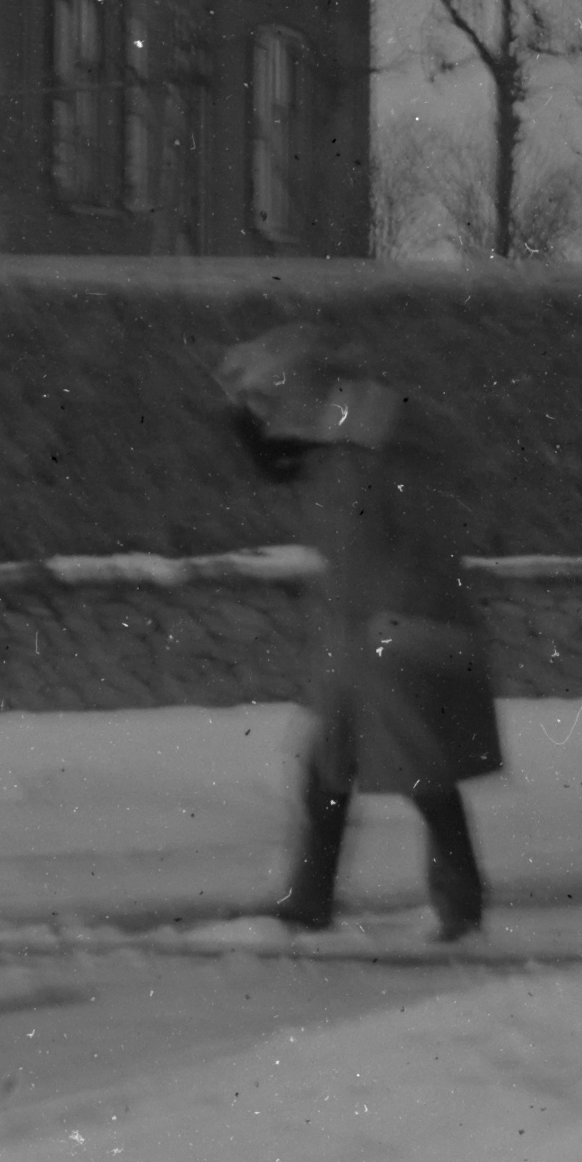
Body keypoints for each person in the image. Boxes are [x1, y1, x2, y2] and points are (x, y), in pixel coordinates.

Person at [218, 327, 503, 943]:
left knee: (419, 769)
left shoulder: (372, 433)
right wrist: (244, 403)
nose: (271, 416)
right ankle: (314, 897)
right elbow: (279, 461)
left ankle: (460, 902)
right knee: (330, 766)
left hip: (396, 622)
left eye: (273, 400)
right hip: (357, 626)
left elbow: (411, 486)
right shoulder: (337, 444)